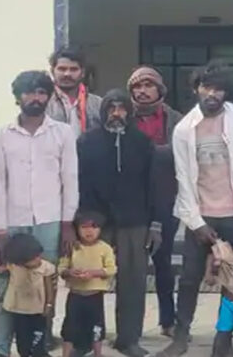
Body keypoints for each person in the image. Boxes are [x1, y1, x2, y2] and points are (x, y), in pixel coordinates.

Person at [158, 61, 233, 357]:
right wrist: (195, 222)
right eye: (206, 87)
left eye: (218, 89)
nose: (212, 93)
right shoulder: (184, 129)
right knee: (189, 278)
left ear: (226, 92)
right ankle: (181, 336)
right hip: (203, 215)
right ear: (196, 88)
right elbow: (183, 179)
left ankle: (224, 341)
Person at [0, 71, 79, 357]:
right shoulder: (3, 135)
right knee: (4, 284)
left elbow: (70, 179)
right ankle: (1, 347)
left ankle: (38, 344)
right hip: (12, 224)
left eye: (41, 92)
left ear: (48, 97)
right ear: (18, 97)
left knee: (44, 285)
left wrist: (67, 224)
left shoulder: (62, 133)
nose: (35, 98)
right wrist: (0, 230)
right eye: (29, 92)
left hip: (50, 222)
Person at [77, 89, 162, 357]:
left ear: (129, 111)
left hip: (135, 221)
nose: (116, 113)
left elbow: (153, 185)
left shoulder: (142, 143)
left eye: (122, 108)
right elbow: (79, 182)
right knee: (89, 283)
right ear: (103, 111)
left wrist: (155, 223)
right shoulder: (87, 142)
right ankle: (87, 339)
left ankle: (128, 339)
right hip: (96, 221)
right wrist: (82, 220)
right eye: (111, 108)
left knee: (133, 282)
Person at [127, 66, 183, 337]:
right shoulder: (123, 117)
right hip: (133, 200)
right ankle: (130, 325)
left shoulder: (176, 120)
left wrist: (152, 154)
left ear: (160, 89)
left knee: (163, 262)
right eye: (137, 86)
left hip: (166, 199)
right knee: (132, 266)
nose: (143, 91)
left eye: (148, 85)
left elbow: (182, 154)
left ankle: (168, 320)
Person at [0, 233, 56, 357]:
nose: (37, 260)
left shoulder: (46, 267)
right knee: (23, 343)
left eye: (38, 256)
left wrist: (49, 304)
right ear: (20, 261)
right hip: (18, 311)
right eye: (33, 259)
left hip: (38, 311)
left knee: (38, 340)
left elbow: (49, 288)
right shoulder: (13, 266)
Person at [58, 211, 117, 357]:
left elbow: (111, 269)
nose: (89, 231)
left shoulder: (105, 248)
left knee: (97, 327)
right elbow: (61, 268)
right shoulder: (72, 247)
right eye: (84, 227)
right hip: (75, 295)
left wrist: (94, 273)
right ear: (77, 229)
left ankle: (97, 354)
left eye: (93, 227)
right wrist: (70, 272)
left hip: (95, 296)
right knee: (70, 327)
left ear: (100, 229)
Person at [47, 48, 102, 139]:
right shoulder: (45, 102)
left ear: (82, 73)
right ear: (52, 71)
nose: (67, 74)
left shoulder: (98, 103)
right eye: (62, 69)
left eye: (73, 69)